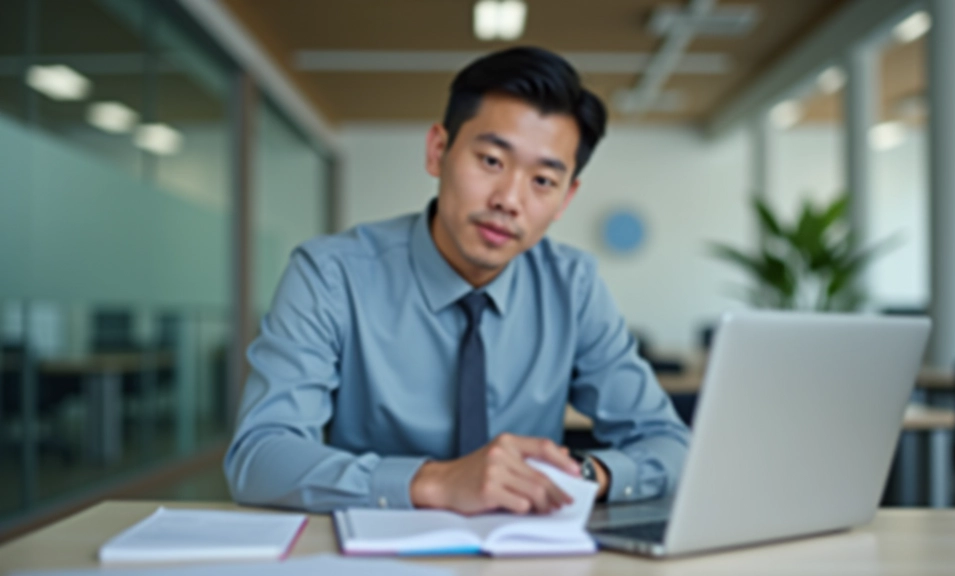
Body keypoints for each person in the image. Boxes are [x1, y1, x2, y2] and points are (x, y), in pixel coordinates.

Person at [224, 46, 690, 515]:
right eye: (491, 160)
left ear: (566, 198)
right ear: (438, 151)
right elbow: (260, 455)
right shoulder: (330, 275)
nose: (509, 199)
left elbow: (669, 443)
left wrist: (581, 476)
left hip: (523, 553)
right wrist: (434, 483)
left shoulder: (574, 286)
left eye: (543, 181)